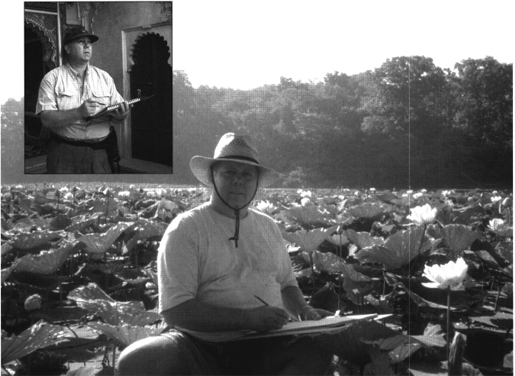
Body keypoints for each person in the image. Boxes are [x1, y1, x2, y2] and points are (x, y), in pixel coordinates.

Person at [117, 133, 334, 375]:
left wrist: (306, 313)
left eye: (246, 174)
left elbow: (286, 285)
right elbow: (175, 310)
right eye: (229, 173)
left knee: (318, 349)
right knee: (136, 361)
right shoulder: (186, 228)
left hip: (269, 342)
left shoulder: (269, 226)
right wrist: (246, 318)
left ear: (256, 182)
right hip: (201, 346)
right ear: (212, 177)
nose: (238, 181)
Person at [35, 27, 131, 173]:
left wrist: (121, 115)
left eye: (89, 43)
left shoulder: (104, 77)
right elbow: (46, 120)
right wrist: (78, 113)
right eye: (81, 42)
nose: (87, 46)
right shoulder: (52, 79)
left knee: (100, 194)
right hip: (64, 152)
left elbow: (117, 113)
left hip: (99, 153)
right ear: (67, 48)